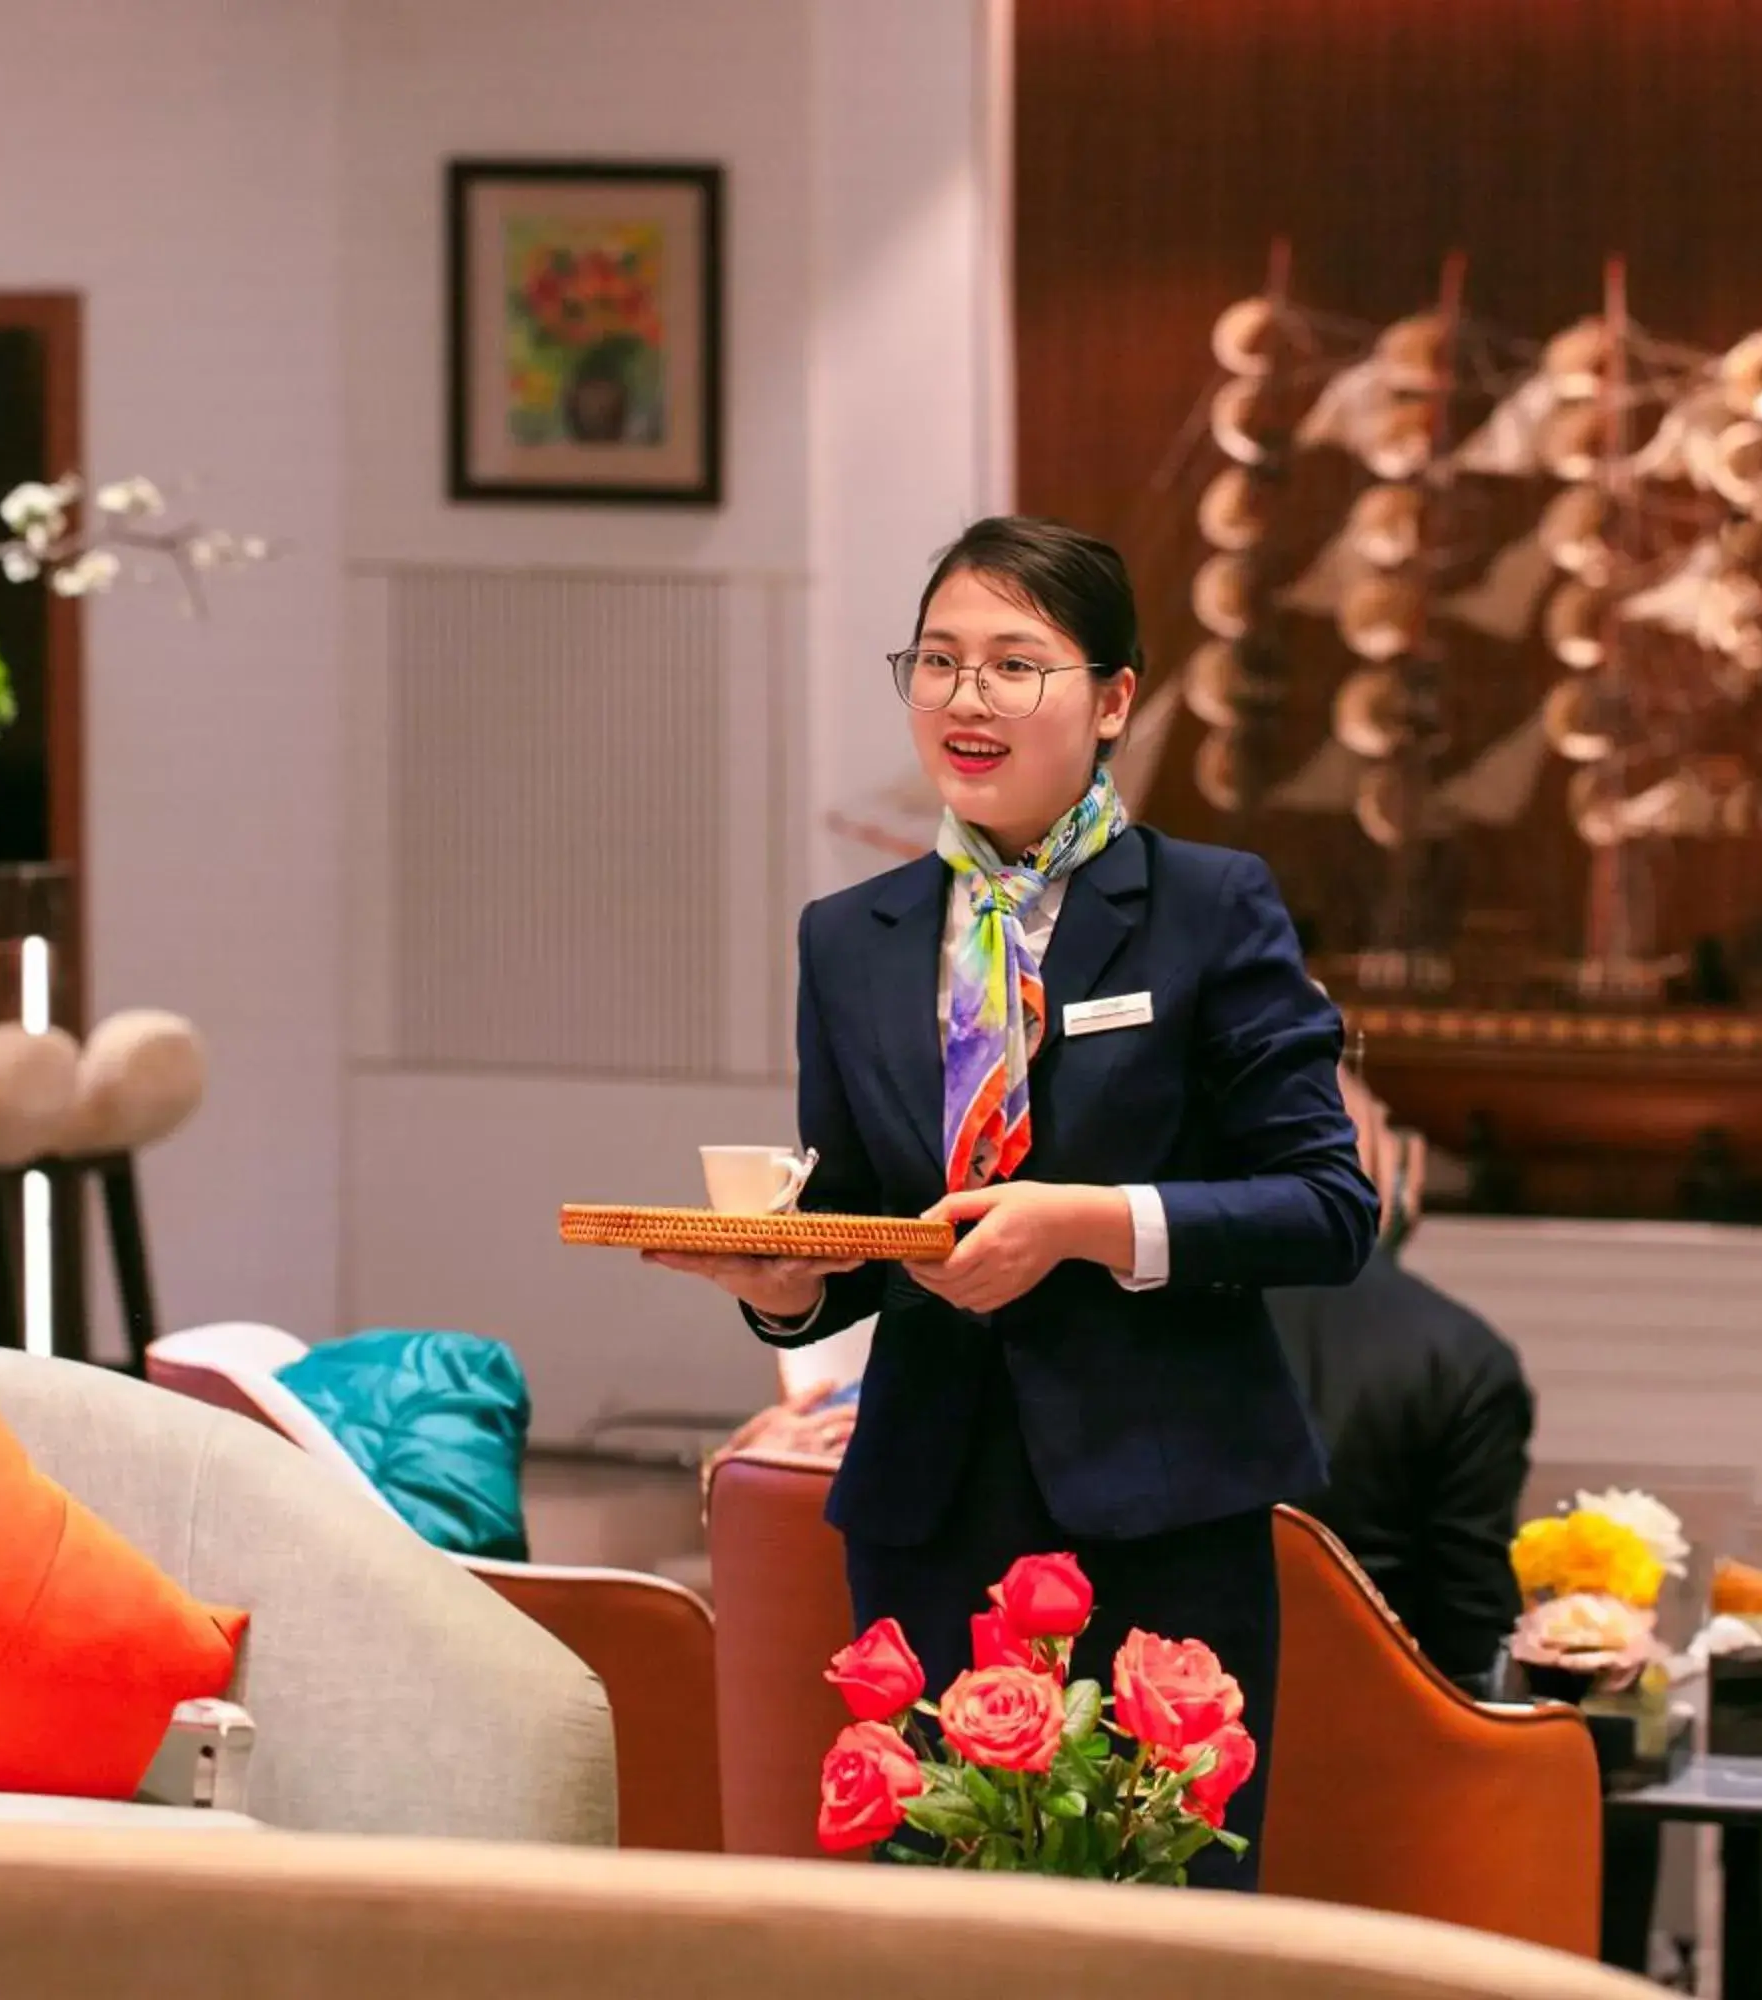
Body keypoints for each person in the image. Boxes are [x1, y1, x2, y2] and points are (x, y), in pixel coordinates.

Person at [649, 517, 1374, 1888]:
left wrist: (1084, 1221)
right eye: (937, 661)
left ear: (1111, 700)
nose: (966, 697)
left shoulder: (1210, 910)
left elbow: (1325, 1208)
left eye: (1013, 664)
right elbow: (864, 1224)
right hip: (931, 1505)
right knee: (940, 1928)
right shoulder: (848, 937)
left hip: (1165, 1509)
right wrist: (786, 1285)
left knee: (1159, 1921)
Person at [1265, 1062, 1533, 1697]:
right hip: (1377, 1749)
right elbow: (1471, 1646)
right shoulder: (1463, 1356)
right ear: (1389, 1169)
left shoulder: (1132, 1315)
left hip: (1156, 1765)